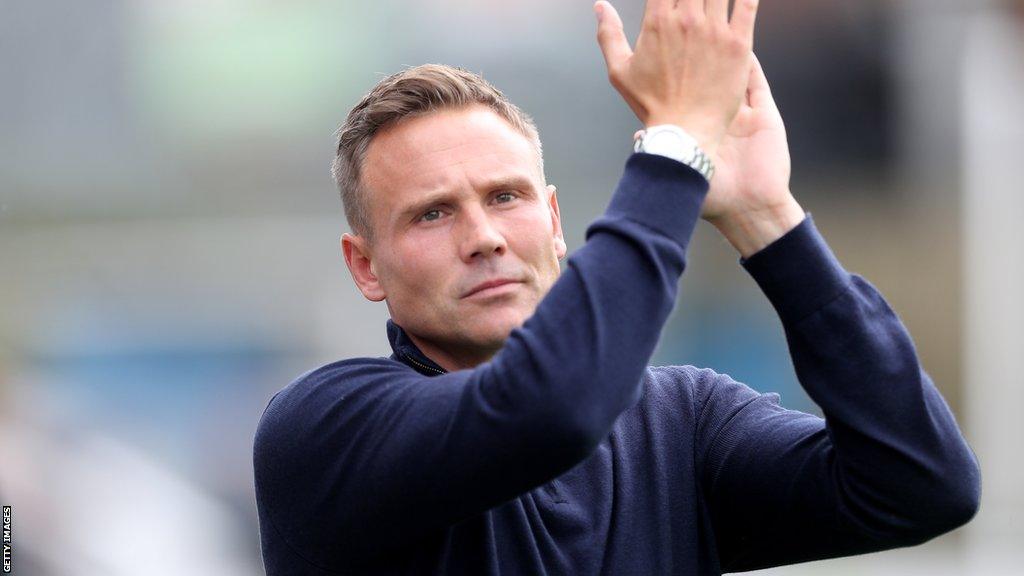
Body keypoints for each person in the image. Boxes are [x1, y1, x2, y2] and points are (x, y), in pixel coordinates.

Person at [253, 0, 980, 574]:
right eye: (433, 213)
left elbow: (921, 484)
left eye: (506, 196)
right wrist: (675, 150)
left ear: (556, 220)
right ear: (365, 266)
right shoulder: (324, 429)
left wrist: (767, 219)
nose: (484, 236)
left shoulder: (681, 422)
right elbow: (552, 407)